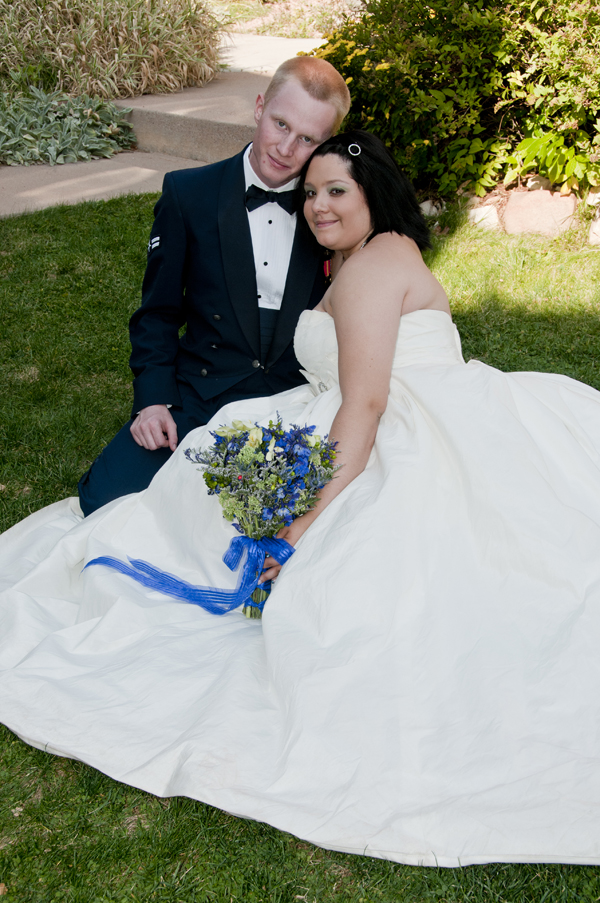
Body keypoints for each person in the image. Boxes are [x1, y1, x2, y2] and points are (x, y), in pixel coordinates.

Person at [3, 130, 600, 868]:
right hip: (358, 411)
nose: (317, 205)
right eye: (310, 193)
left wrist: (298, 524)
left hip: (398, 427)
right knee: (211, 462)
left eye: (335, 191)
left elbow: (368, 402)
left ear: (373, 193)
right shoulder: (355, 257)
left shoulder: (379, 263)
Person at [77, 56, 351, 516]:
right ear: (259, 107)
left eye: (307, 139)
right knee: (104, 501)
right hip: (204, 388)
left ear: (326, 145)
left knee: (274, 522)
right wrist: (153, 402)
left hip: (291, 401)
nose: (286, 148)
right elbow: (158, 314)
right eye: (280, 124)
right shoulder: (189, 194)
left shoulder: (330, 210)